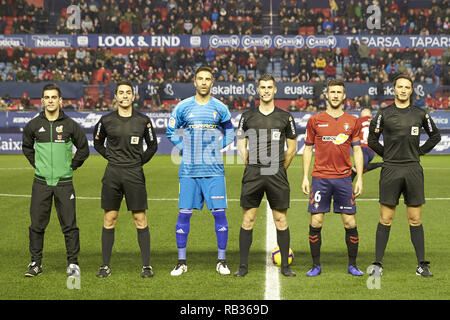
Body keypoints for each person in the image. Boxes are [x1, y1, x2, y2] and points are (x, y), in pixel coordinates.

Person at [368, 74, 441, 278]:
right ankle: (377, 264)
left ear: (411, 91)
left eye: (406, 87)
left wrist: (419, 152)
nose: (402, 90)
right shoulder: (384, 114)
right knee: (385, 218)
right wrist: (388, 155)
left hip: (412, 169)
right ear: (394, 89)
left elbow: (435, 136)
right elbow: (372, 139)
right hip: (391, 169)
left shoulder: (420, 114)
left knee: (415, 219)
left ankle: (421, 265)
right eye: (399, 86)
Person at [166, 65, 235, 276]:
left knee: (220, 214)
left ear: (212, 82)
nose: (204, 82)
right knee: (184, 214)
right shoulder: (183, 107)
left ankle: (221, 261)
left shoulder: (220, 108)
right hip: (188, 170)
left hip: (214, 171)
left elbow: (231, 131)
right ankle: (181, 261)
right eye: (200, 79)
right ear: (194, 82)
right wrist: (184, 146)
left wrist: (217, 146)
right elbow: (170, 130)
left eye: (207, 79)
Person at [22, 83, 89, 277]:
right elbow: (26, 147)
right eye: (47, 97)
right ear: (42, 101)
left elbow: (83, 148)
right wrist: (38, 165)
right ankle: (35, 263)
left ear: (60, 101)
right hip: (41, 183)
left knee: (69, 225)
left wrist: (72, 166)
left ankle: (73, 263)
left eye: (54, 97)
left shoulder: (70, 125)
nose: (50, 100)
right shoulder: (34, 125)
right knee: (37, 225)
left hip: (64, 183)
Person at [234, 74, 298, 277]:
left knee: (280, 219)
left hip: (276, 172)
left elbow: (292, 149)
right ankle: (243, 266)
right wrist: (249, 163)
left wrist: (280, 168)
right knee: (248, 219)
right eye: (263, 87)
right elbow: (240, 143)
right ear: (258, 90)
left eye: (270, 87)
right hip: (253, 171)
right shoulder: (247, 116)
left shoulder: (285, 117)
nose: (266, 90)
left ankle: (286, 267)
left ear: (275, 90)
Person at [93, 80, 158, 278]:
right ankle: (105, 265)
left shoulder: (143, 120)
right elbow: (97, 142)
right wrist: (111, 158)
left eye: (128, 92)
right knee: (110, 218)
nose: (124, 96)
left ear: (133, 96)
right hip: (113, 173)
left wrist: (138, 162)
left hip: (134, 174)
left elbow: (152, 145)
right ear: (116, 96)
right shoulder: (106, 120)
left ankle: (146, 266)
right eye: (120, 92)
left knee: (140, 218)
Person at [301, 79, 364, 277]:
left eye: (339, 92)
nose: (335, 95)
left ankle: (352, 265)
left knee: (350, 224)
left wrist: (359, 177)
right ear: (326, 95)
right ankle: (315, 265)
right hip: (320, 178)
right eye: (332, 92)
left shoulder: (352, 121)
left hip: (344, 179)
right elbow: (308, 149)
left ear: (344, 96)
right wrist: (305, 176)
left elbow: (358, 151)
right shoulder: (315, 120)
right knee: (316, 222)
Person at [350, 108, 383, 181]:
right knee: (359, 168)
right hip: (371, 152)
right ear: (371, 114)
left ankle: (379, 164)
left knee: (356, 169)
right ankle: (379, 164)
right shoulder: (376, 122)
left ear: (361, 115)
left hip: (362, 149)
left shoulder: (358, 121)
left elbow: (350, 134)